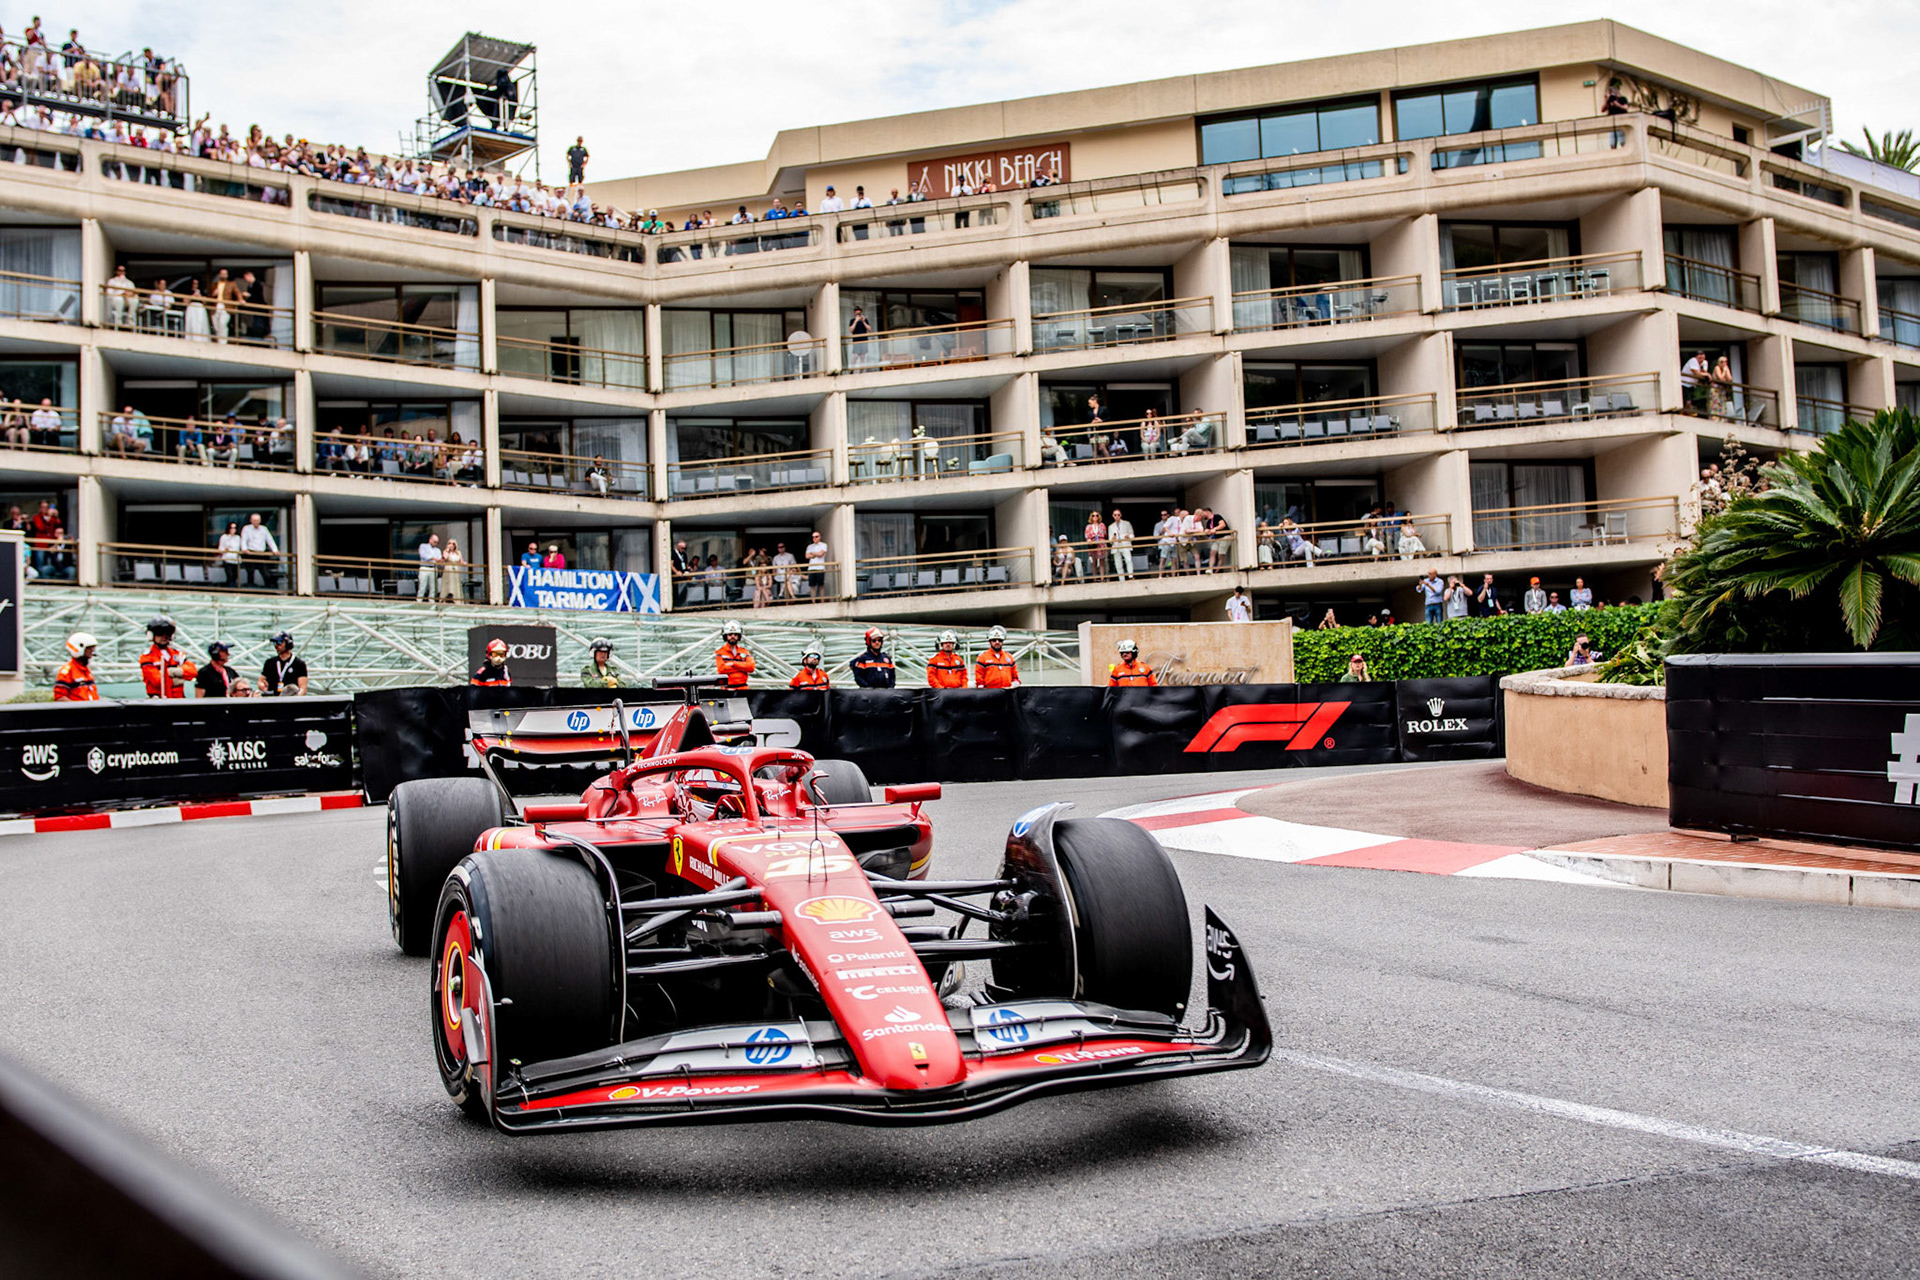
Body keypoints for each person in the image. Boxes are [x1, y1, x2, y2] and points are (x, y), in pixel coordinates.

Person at [140, 615, 196, 698]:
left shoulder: (177, 654)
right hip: (158, 701)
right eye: (160, 633)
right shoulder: (147, 657)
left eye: (168, 633)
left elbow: (192, 672)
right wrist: (179, 678)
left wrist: (170, 672)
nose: (164, 636)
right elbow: (158, 681)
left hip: (179, 700)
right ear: (151, 635)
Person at [52, 632, 99, 701]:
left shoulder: (86, 671)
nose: (92, 651)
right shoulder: (68, 671)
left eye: (93, 648)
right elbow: (60, 697)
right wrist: (77, 707)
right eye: (89, 648)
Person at [260, 630, 308, 695]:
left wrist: (297, 697)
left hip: (290, 698)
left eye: (279, 642)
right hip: (272, 698)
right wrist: (262, 686)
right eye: (274, 643)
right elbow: (261, 680)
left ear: (288, 643)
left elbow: (303, 688)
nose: (276, 645)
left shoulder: (299, 664)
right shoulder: (270, 662)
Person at [239, 512, 278, 587]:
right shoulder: (246, 528)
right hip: (250, 553)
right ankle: (251, 586)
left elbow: (269, 540)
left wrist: (275, 550)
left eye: (257, 520)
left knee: (264, 571)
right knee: (250, 571)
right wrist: (244, 549)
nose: (256, 522)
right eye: (254, 520)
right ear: (251, 521)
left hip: (261, 553)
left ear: (260, 521)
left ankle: (268, 586)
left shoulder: (264, 529)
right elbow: (243, 539)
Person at [714, 621, 754, 688]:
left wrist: (733, 664)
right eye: (730, 635)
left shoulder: (744, 651)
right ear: (726, 636)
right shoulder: (720, 652)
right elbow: (721, 669)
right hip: (727, 688)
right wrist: (742, 667)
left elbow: (751, 667)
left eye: (735, 635)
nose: (733, 637)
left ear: (739, 636)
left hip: (743, 688)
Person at [1109, 509, 1135, 581]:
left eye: (1118, 515)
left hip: (1125, 544)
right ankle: (1121, 579)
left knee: (1128, 560)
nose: (1117, 516)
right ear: (1113, 516)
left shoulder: (1127, 524)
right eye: (1115, 515)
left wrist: (1128, 537)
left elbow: (1132, 535)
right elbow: (1110, 541)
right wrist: (1113, 539)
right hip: (1116, 545)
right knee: (1118, 563)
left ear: (1121, 515)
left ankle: (1131, 576)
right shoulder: (1111, 527)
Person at [1681, 350, 1710, 416]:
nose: (1701, 359)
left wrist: (1702, 367)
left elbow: (1703, 373)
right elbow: (1696, 373)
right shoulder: (1693, 361)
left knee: (1690, 399)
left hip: (1692, 385)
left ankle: (1687, 413)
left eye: (1703, 358)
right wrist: (1707, 374)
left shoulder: (1703, 363)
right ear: (1696, 356)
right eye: (1700, 357)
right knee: (1687, 400)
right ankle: (1686, 412)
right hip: (1685, 384)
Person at [416, 533, 442, 600]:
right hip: (424, 567)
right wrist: (433, 558)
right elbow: (423, 555)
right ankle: (419, 600)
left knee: (433, 587)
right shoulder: (423, 546)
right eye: (435, 542)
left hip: (433, 568)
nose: (436, 543)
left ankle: (431, 601)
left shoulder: (438, 550)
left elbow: (439, 559)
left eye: (437, 542)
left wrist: (434, 559)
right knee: (422, 586)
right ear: (430, 540)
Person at [804, 530, 829, 595]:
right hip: (811, 568)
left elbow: (821, 554)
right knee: (812, 586)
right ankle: (813, 600)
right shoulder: (810, 546)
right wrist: (816, 554)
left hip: (820, 568)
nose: (814, 538)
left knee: (821, 585)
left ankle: (822, 600)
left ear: (820, 537)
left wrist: (812, 553)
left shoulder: (823, 545)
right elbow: (807, 556)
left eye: (816, 536)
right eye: (813, 537)